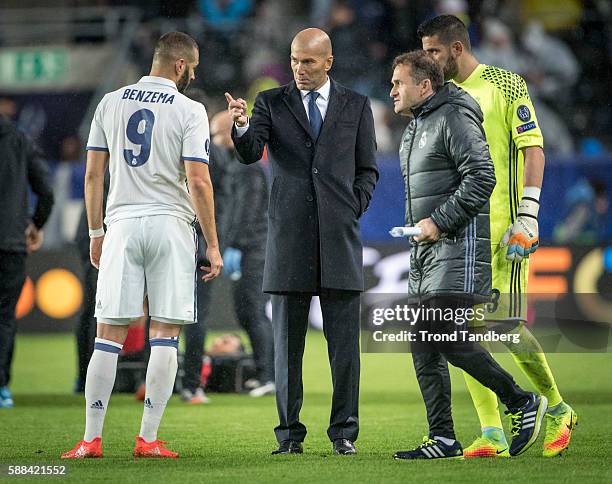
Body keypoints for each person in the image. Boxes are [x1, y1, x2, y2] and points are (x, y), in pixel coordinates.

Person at [419, 14, 577, 458]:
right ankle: (491, 432)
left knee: (505, 328)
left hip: (504, 232)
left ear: (455, 48)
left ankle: (559, 408)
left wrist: (529, 214)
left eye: (434, 51)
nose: (427, 60)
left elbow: (533, 148)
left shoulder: (505, 85)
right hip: (458, 235)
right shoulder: (440, 96)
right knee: (459, 333)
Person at [61, 31, 223, 459]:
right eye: (194, 67)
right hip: (170, 224)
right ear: (181, 66)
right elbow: (199, 180)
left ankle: (90, 439)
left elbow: (94, 175)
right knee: (165, 335)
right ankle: (147, 439)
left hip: (122, 225)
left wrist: (96, 233)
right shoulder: (191, 110)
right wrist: (212, 243)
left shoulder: (110, 102)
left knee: (107, 337)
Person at [226, 28, 378, 455]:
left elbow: (367, 169)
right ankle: (289, 436)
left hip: (339, 240)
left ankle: (344, 434)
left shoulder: (356, 105)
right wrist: (240, 125)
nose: (299, 68)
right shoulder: (272, 103)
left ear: (328, 61)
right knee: (287, 349)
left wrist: (353, 207)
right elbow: (250, 152)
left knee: (344, 351)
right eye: (294, 60)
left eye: (308, 61)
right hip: (289, 240)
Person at [389, 50, 546, 460]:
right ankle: (442, 437)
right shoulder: (415, 128)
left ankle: (521, 401)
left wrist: (438, 223)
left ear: (424, 86)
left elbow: (482, 176)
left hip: (458, 245)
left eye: (398, 83)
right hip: (426, 251)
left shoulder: (454, 116)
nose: (392, 91)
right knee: (423, 342)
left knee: (440, 334)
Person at [211, 110, 275, 397]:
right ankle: (265, 373)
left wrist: (234, 244)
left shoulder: (246, 165)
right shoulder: (238, 165)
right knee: (246, 311)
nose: (211, 141)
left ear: (227, 134)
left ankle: (269, 375)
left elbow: (248, 212)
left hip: (254, 249)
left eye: (215, 134)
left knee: (254, 311)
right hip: (247, 247)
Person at [0, 111, 54, 409]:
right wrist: (36, 225)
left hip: (11, 241)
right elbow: (46, 191)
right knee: (5, 316)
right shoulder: (19, 138)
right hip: (10, 243)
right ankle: (1, 387)